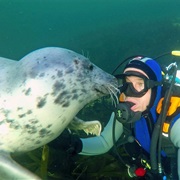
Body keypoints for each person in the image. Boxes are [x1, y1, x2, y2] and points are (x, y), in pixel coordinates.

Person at [49, 56, 180, 179]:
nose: (130, 93)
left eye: (140, 84)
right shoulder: (127, 111)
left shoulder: (173, 117)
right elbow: (104, 142)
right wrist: (71, 143)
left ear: (155, 88)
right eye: (127, 84)